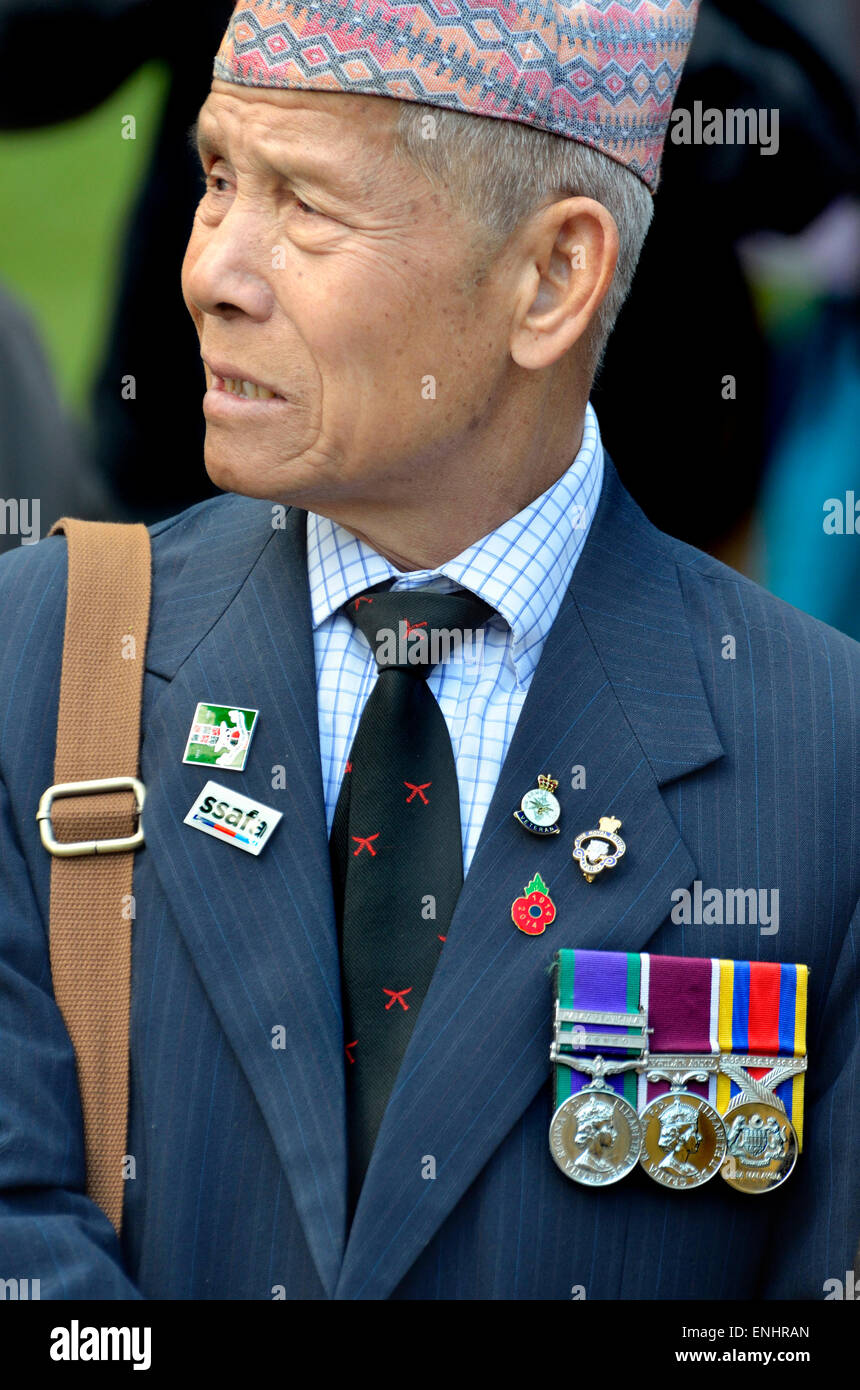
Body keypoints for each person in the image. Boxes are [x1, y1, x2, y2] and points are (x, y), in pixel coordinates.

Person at [0, 0, 856, 1301]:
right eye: (218, 175)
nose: (211, 269)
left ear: (554, 277)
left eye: (304, 206)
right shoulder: (45, 650)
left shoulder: (825, 759)